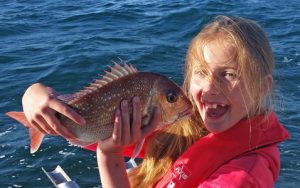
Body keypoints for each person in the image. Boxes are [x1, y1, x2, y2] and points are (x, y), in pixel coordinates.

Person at [22, 15, 289, 187]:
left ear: (262, 87)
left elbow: (105, 145)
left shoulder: (243, 176)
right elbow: (91, 127)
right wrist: (35, 96)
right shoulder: (184, 126)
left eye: (229, 74)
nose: (209, 87)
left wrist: (109, 156)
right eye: (201, 73)